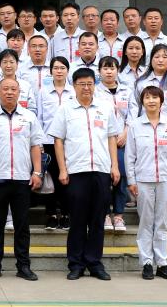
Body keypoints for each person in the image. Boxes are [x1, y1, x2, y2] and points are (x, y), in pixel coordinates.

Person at [48, 68, 121, 281]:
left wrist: (114, 166)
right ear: (74, 85)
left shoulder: (105, 107)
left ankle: (94, 262)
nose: (86, 88)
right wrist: (63, 169)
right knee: (78, 220)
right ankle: (76, 264)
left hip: (101, 170)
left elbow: (111, 137)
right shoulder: (65, 109)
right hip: (76, 171)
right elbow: (58, 140)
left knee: (98, 220)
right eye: (82, 84)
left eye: (90, 83)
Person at [0, 77, 43, 282]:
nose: (9, 92)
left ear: (19, 92)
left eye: (13, 89)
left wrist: (37, 172)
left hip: (22, 179)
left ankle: (23, 266)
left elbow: (35, 146)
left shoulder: (29, 117)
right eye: (5, 89)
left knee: (22, 225)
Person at [125, 85, 167, 281]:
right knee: (146, 222)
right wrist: (131, 180)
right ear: (142, 102)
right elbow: (130, 156)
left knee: (162, 222)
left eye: (155, 97)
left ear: (161, 101)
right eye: (147, 97)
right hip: (143, 179)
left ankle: (162, 263)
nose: (151, 101)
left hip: (166, 179)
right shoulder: (135, 126)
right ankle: (147, 263)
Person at [36, 56, 74, 230]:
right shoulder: (43, 92)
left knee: (67, 179)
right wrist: (39, 142)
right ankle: (51, 214)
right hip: (48, 141)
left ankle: (66, 214)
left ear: (67, 71)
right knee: (50, 179)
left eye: (62, 68)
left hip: (69, 142)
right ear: (50, 71)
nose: (59, 71)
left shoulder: (73, 91)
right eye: (56, 68)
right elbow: (39, 118)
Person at [97, 57, 133, 233]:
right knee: (104, 179)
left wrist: (125, 132)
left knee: (122, 177)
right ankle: (104, 214)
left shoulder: (127, 90)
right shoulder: (95, 91)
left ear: (118, 70)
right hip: (102, 142)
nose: (109, 72)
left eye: (112, 68)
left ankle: (118, 215)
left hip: (123, 141)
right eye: (105, 68)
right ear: (99, 71)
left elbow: (133, 113)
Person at [140, 8, 167, 74]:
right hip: (142, 78)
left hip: (165, 79)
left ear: (161, 21)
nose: (153, 21)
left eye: (156, 18)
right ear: (144, 22)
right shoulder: (137, 42)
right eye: (150, 18)